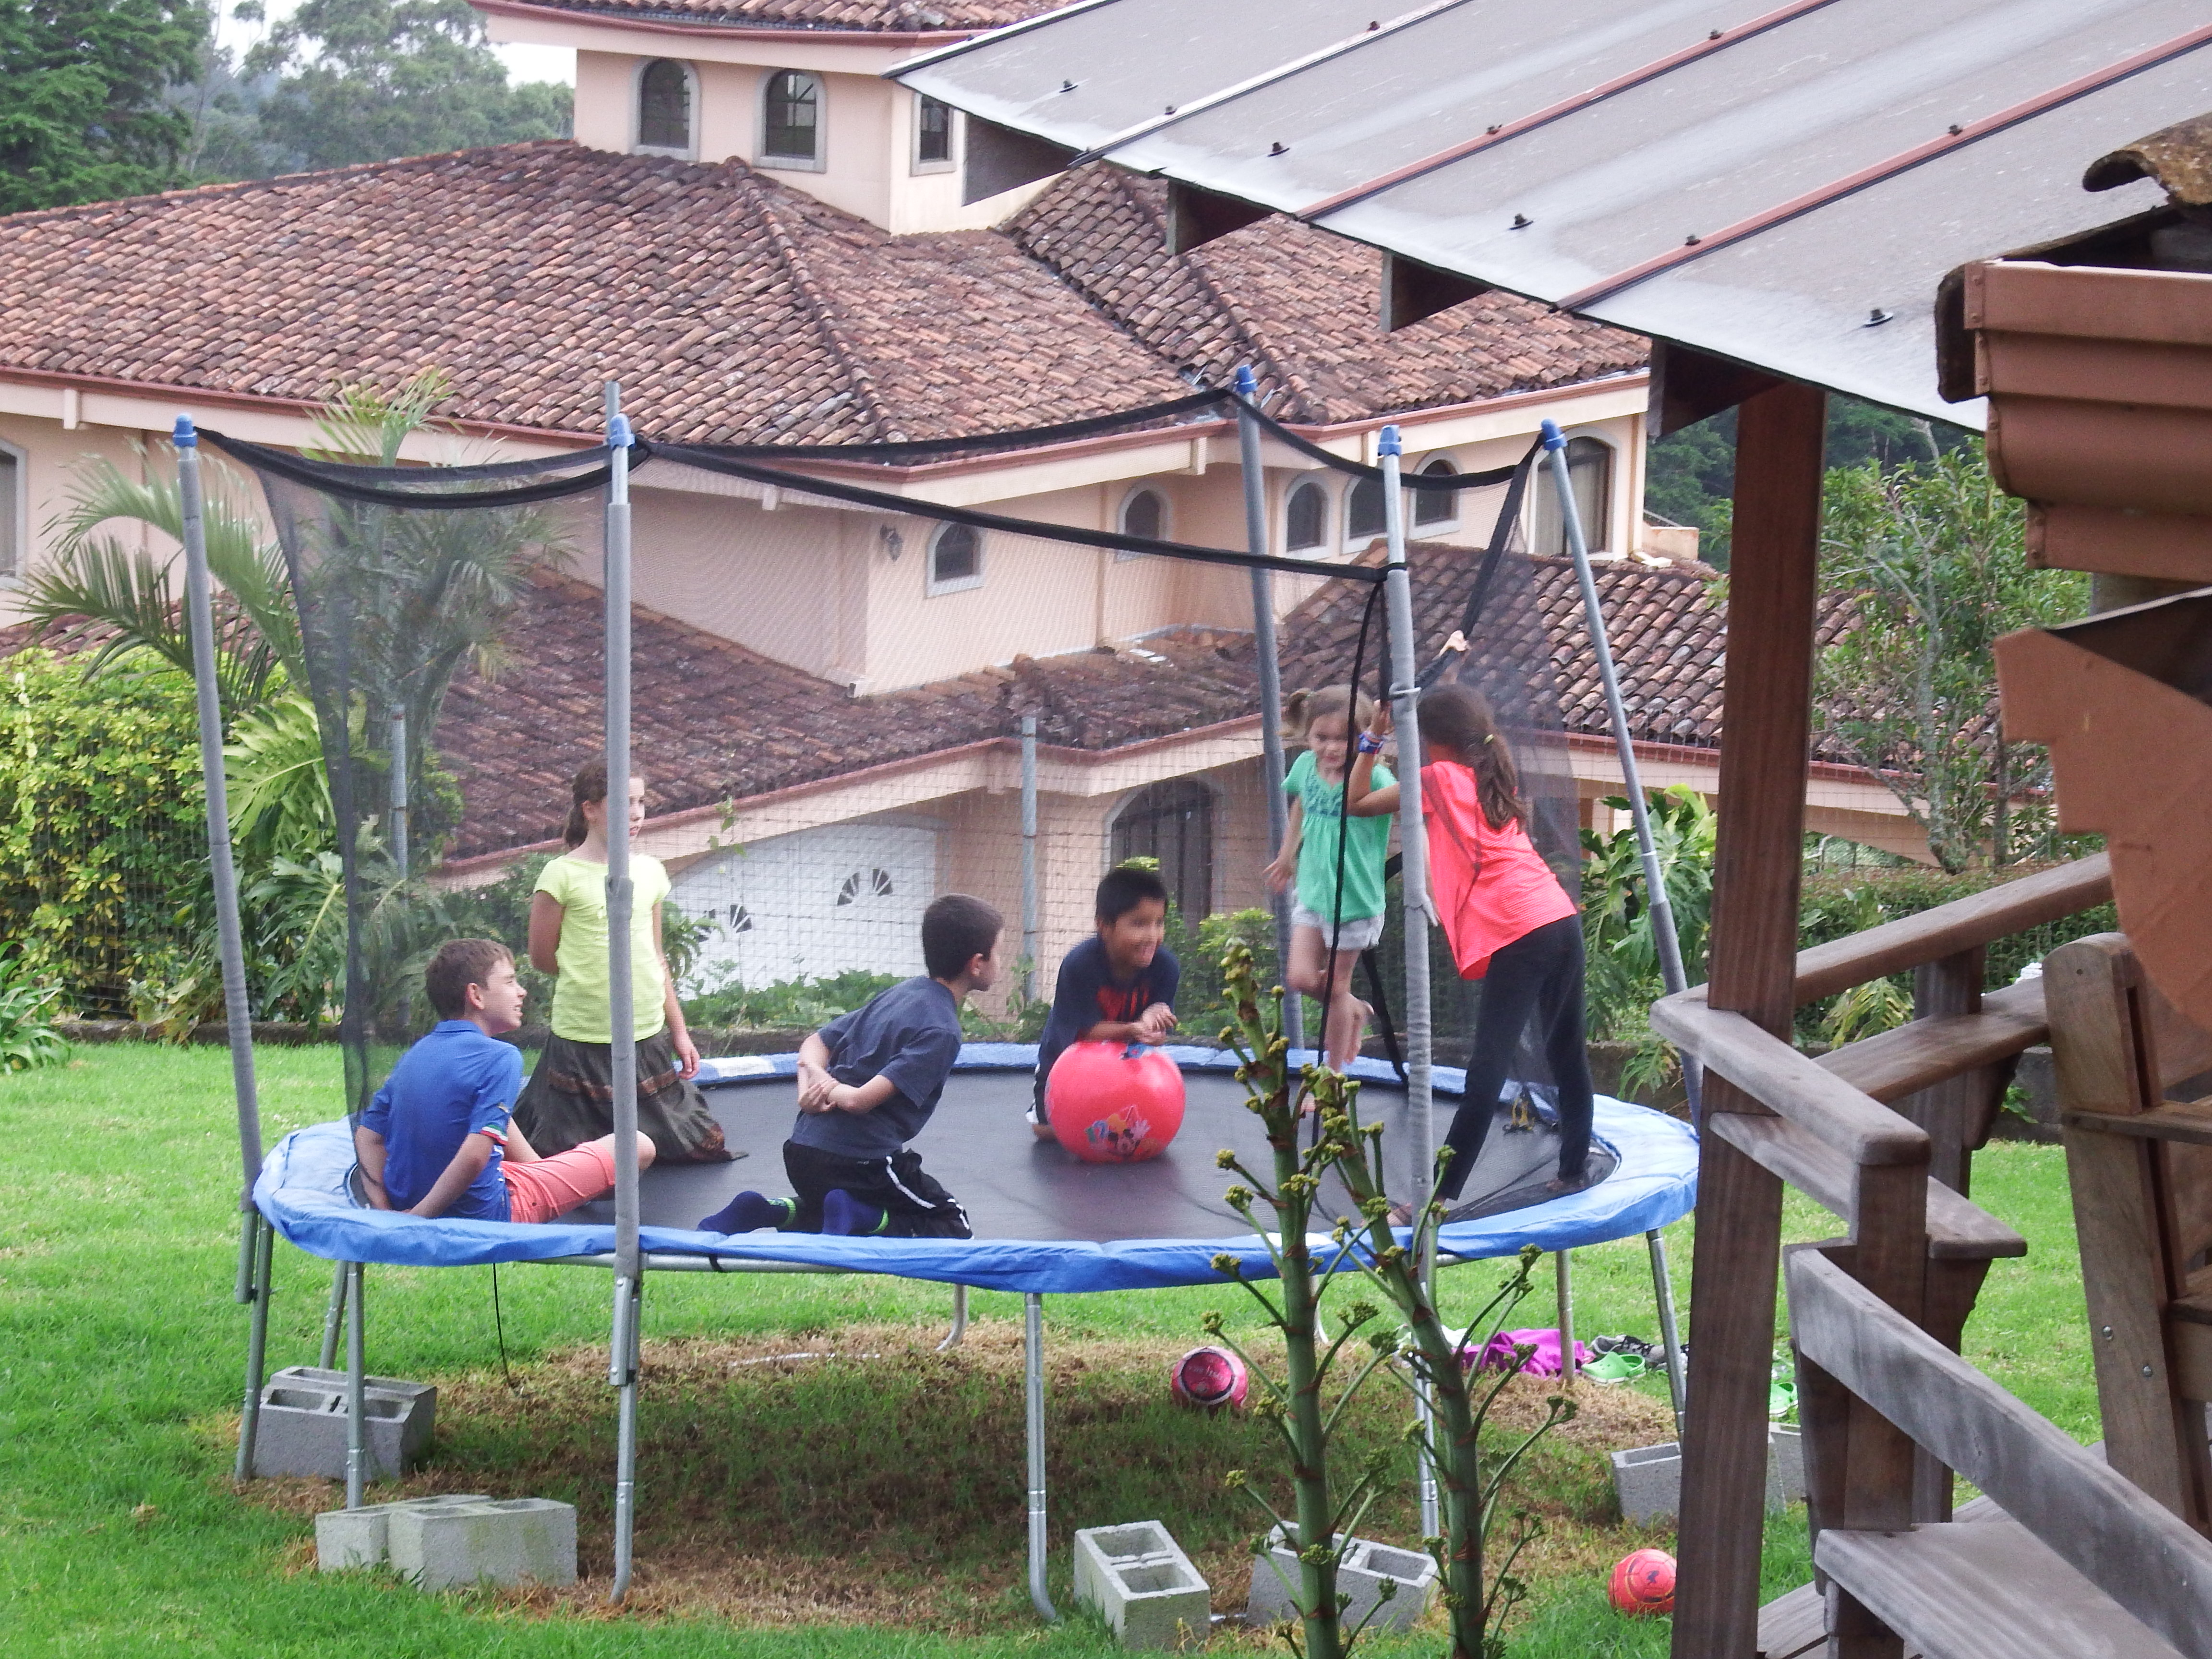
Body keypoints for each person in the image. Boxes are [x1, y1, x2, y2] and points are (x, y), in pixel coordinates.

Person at [1344, 682, 1592, 1210]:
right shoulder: (1490, 772)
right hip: (1558, 917)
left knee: (1486, 1070)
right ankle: (1573, 1170)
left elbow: (1357, 802)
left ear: (1431, 741)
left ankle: (1437, 1197)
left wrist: (1373, 739)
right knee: (1566, 1051)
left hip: (1519, 931)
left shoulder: (1434, 779)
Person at [697, 894, 1004, 1238]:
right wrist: (826, 1086)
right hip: (859, 1162)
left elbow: (814, 1044)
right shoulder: (942, 1030)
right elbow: (860, 1100)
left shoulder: (900, 993)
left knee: (833, 1208)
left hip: (803, 1152)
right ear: (977, 963)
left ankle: (765, 1211)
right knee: (953, 1225)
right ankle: (861, 1217)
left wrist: (809, 1088)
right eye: (999, 952)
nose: (1001, 962)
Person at [515, 760, 734, 1165]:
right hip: (583, 1036)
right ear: (590, 809)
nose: (635, 813)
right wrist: (593, 981)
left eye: (641, 802)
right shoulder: (560, 876)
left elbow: (655, 956)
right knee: (563, 1155)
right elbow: (543, 958)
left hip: (645, 1033)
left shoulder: (649, 871)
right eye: (623, 803)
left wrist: (680, 1032)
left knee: (682, 1146)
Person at [356, 938, 657, 1222]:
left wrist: (384, 1205)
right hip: (492, 1211)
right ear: (476, 996)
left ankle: (543, 1172)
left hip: (416, 1201)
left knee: (489, 1112)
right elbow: (475, 1156)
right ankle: (561, 1184)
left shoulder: (415, 1054)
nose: (522, 991)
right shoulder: (501, 1057)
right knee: (638, 1145)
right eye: (511, 981)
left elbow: (368, 1137)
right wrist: (420, 1218)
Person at [1264, 685, 1395, 1070]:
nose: (1332, 749)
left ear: (1362, 739)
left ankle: (1331, 1074)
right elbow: (1301, 804)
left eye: (1344, 740)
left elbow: (1411, 809)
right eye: (1322, 738)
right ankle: (1353, 1009)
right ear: (1308, 735)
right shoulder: (1306, 766)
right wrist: (1288, 854)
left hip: (1353, 900)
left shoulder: (1374, 781)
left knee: (1335, 988)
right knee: (1302, 978)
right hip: (1314, 890)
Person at [1027, 864, 1180, 1140]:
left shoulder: (1166, 967)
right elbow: (1083, 1033)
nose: (1152, 936)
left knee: (1138, 1135)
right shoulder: (1080, 965)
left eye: (1159, 923)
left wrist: (1153, 1027)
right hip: (1066, 1061)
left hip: (1127, 1068)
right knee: (1049, 1133)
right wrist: (1134, 1028)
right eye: (1139, 924)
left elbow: (1156, 1037)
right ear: (1104, 926)